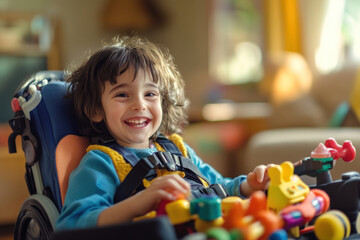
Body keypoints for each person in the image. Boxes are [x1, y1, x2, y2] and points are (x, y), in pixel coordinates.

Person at [55, 35, 272, 230]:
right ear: (95, 110)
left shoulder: (178, 150)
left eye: (150, 93)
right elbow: (72, 225)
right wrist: (138, 203)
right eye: (122, 94)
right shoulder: (100, 163)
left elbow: (220, 186)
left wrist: (248, 185)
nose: (139, 104)